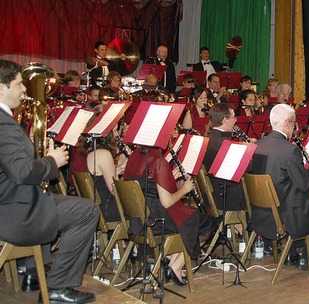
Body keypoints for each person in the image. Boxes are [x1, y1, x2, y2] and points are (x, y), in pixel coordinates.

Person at [0, 59, 99, 303]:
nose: (24, 89)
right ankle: (58, 286)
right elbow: (21, 172)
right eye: (19, 84)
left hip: (11, 202)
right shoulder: (3, 125)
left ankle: (32, 272)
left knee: (53, 199)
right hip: (15, 212)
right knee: (87, 211)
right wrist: (52, 161)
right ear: (2, 88)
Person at [251, 104, 309, 270]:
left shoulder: (258, 145)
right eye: (294, 125)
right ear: (287, 124)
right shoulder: (290, 150)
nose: (294, 129)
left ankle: (291, 253)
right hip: (285, 213)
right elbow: (306, 185)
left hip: (262, 212)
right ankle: (307, 256)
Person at [122, 146, 215, 286]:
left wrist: (170, 177)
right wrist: (185, 189)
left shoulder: (134, 156)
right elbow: (166, 202)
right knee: (207, 223)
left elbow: (149, 186)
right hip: (158, 221)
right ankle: (176, 265)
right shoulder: (159, 162)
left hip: (140, 219)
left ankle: (171, 259)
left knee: (191, 217)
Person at [203, 103, 249, 212]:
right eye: (233, 117)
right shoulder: (225, 144)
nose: (236, 120)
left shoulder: (209, 138)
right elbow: (245, 168)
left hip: (213, 192)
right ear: (224, 120)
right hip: (226, 197)